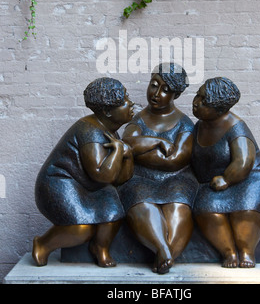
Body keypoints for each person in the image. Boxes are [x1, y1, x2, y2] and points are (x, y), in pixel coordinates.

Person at [32, 77, 134, 267]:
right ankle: (43, 244)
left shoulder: (110, 132)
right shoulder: (91, 131)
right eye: (124, 100)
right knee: (81, 228)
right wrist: (119, 151)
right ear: (107, 112)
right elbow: (102, 174)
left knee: (113, 212)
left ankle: (100, 248)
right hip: (58, 183)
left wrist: (127, 155)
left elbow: (120, 179)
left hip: (89, 186)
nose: (131, 103)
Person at [119, 63, 198, 274]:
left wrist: (141, 149)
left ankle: (168, 253)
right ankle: (162, 249)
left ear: (176, 94)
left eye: (165, 90)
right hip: (140, 177)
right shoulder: (138, 119)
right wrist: (156, 142)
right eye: (154, 85)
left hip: (178, 177)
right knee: (141, 201)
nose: (156, 93)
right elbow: (127, 144)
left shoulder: (184, 123)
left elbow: (177, 160)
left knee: (178, 204)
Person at [191, 77, 260, 268]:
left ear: (220, 109)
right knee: (205, 209)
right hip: (214, 184)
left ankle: (247, 251)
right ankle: (228, 252)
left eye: (203, 101)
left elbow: (244, 161)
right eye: (198, 95)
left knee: (245, 211)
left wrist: (226, 180)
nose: (196, 102)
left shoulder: (236, 127)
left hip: (249, 180)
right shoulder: (199, 127)